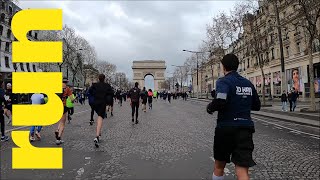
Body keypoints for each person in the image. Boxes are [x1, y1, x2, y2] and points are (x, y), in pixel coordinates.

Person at [206, 54, 261, 180]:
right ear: (237, 66)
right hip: (245, 129)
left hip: (226, 128)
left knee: (219, 166)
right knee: (242, 170)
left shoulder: (223, 81)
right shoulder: (248, 83)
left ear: (223, 67)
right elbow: (257, 105)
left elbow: (220, 101)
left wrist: (210, 107)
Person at [91, 74, 113, 148]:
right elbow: (111, 94)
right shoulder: (107, 86)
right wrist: (108, 104)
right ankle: (97, 136)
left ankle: (99, 132)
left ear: (98, 78)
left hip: (95, 103)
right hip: (102, 103)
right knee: (100, 118)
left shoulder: (94, 85)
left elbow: (89, 92)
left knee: (98, 117)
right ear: (104, 78)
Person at [55, 78, 74, 145]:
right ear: (67, 82)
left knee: (60, 120)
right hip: (63, 106)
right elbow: (72, 99)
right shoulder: (67, 88)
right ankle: (59, 138)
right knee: (63, 122)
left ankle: (57, 130)